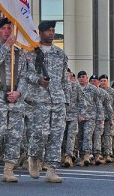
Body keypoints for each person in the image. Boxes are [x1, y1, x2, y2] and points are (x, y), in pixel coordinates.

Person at [0, 17, 30, 183]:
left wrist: (18, 92)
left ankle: (8, 169)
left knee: (15, 134)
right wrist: (6, 46)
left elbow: (25, 76)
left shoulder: (20, 53)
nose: (7, 31)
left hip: (15, 97)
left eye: (10, 28)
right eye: (3, 28)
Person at [27, 20, 71, 183]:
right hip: (40, 99)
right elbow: (26, 74)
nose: (51, 33)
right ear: (41, 32)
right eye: (48, 31)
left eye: (53, 30)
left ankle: (51, 170)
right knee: (40, 133)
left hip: (58, 100)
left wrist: (67, 99)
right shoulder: (31, 52)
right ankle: (34, 157)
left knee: (57, 135)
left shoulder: (60, 54)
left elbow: (64, 80)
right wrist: (38, 79)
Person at [75, 70, 101, 167]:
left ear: (87, 78)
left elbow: (98, 104)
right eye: (80, 77)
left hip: (90, 116)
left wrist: (100, 117)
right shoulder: (75, 88)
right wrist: (77, 115)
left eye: (83, 77)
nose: (81, 79)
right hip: (78, 117)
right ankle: (82, 156)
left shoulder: (93, 89)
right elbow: (74, 103)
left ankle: (86, 156)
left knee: (87, 136)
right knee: (80, 137)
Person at [62, 68, 81, 168]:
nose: (66, 74)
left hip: (73, 115)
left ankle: (68, 156)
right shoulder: (60, 86)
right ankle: (62, 155)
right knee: (62, 137)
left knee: (71, 136)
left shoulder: (76, 86)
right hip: (61, 115)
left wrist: (81, 114)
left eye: (68, 73)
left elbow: (82, 101)